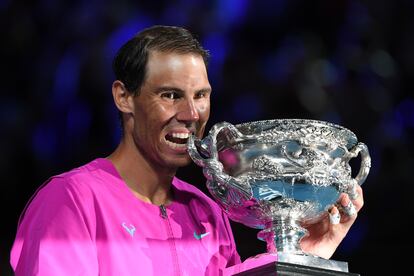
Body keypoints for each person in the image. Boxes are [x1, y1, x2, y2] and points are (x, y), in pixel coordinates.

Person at [10, 25, 364, 275]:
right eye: (170, 95)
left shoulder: (208, 213)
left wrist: (299, 259)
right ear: (124, 97)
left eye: (200, 96)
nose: (191, 114)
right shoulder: (71, 201)